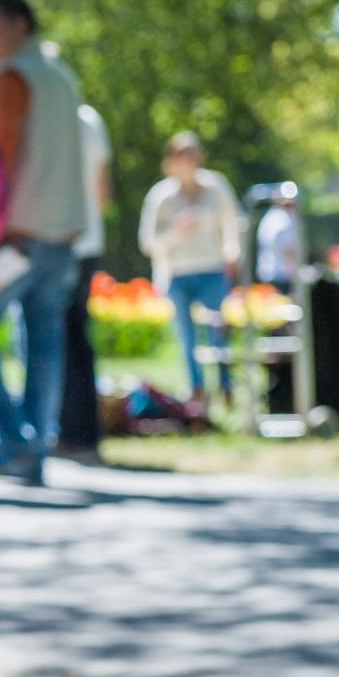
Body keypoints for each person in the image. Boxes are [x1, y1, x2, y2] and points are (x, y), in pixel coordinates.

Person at [0, 0, 88, 486]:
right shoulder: (61, 77)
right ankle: (32, 448)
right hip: (63, 234)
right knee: (44, 342)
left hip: (18, 236)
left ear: (21, 24)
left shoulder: (11, 78)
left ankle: (12, 437)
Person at [138, 132, 243, 405]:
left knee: (218, 332)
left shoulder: (215, 187)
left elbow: (233, 224)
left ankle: (225, 385)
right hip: (177, 272)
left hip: (211, 268)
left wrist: (233, 254)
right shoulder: (161, 196)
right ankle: (196, 390)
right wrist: (176, 231)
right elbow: (148, 242)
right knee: (187, 336)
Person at [58, 102, 112, 461]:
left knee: (59, 338)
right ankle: (84, 433)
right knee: (77, 334)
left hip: (58, 240)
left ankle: (68, 431)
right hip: (89, 239)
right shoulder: (91, 118)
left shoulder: (50, 116)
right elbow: (103, 192)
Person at [255, 188, 304, 287]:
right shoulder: (284, 219)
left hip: (266, 273)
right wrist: (295, 273)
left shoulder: (269, 217)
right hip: (281, 275)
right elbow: (288, 249)